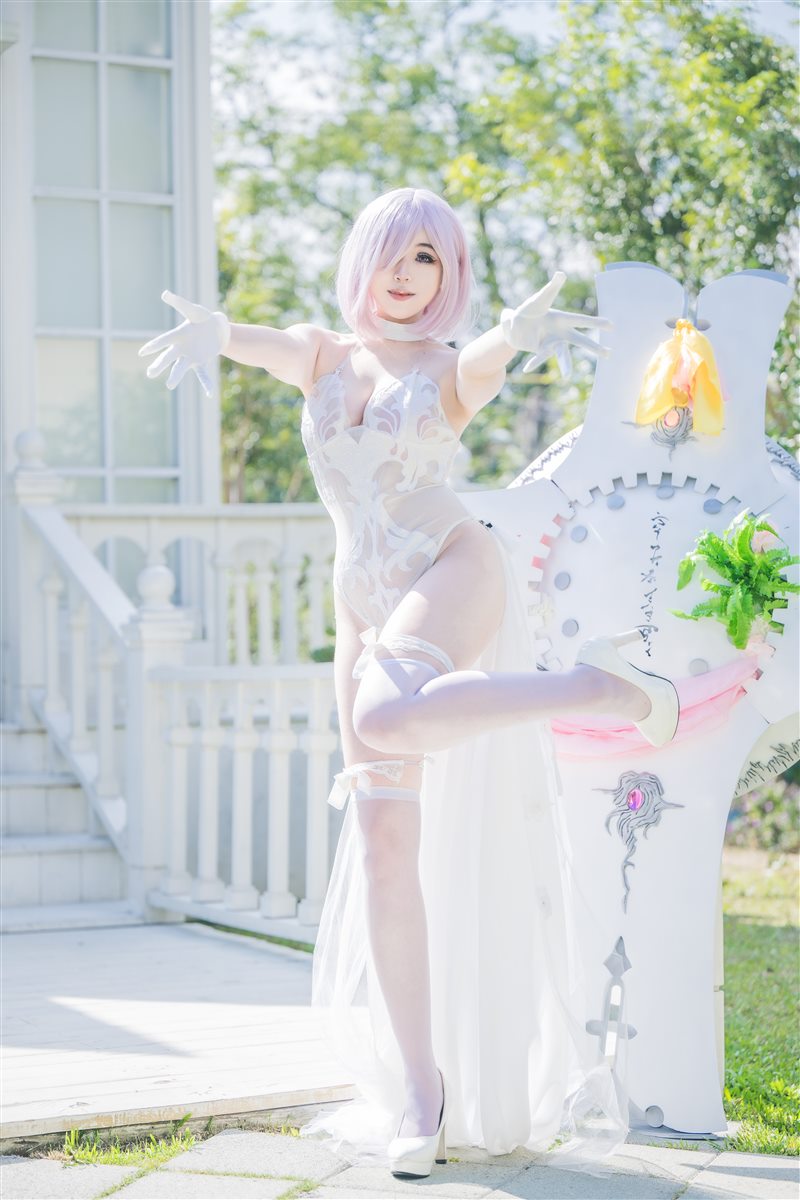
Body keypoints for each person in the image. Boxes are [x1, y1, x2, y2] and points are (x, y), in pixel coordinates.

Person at [139, 187, 680, 1178]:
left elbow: (479, 369)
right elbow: (265, 344)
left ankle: (598, 688)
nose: (405, 274)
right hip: (361, 607)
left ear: (448, 276)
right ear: (361, 261)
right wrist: (218, 332)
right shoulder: (322, 356)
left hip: (449, 568)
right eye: (391, 252)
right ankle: (420, 1097)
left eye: (427, 257)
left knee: (387, 716)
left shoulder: (444, 368)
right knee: (387, 849)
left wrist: (509, 337)